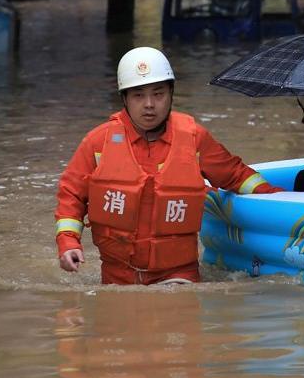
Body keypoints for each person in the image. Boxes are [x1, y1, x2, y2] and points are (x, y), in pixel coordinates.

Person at [54, 46, 282, 285]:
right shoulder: (97, 142)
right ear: (124, 99)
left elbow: (236, 175)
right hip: (117, 277)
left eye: (158, 94)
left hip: (179, 275)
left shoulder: (194, 137)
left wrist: (280, 198)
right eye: (138, 95)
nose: (149, 104)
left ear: (171, 94)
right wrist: (68, 242)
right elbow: (71, 195)